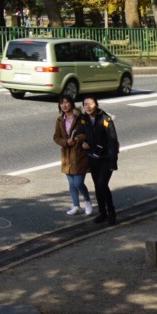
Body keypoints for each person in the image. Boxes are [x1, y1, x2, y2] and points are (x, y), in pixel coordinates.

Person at [80, 95, 120, 224]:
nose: (88, 106)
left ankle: (111, 212)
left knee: (102, 184)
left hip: (106, 158)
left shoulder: (105, 119)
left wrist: (113, 161)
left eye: (90, 103)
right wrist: (84, 143)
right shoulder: (84, 119)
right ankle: (102, 213)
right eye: (85, 104)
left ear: (96, 104)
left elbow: (113, 141)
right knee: (98, 186)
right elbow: (82, 134)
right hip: (93, 158)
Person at [54, 96, 93, 216]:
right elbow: (56, 137)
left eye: (66, 103)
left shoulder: (80, 118)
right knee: (71, 184)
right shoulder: (60, 120)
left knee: (78, 183)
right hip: (67, 155)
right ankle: (76, 205)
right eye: (61, 103)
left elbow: (87, 133)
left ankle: (87, 201)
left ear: (71, 104)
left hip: (79, 154)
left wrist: (77, 139)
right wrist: (65, 142)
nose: (64, 105)